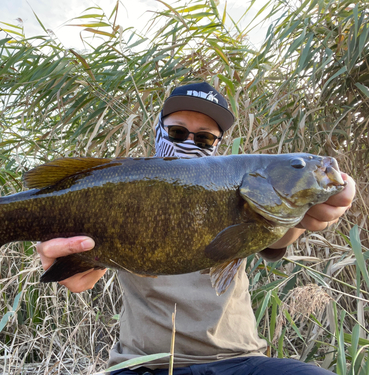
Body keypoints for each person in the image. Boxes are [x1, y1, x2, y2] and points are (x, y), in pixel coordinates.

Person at [36, 82, 356, 374]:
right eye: (177, 133)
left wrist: (311, 210)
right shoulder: (125, 189)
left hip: (239, 361)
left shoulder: (251, 203)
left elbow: (282, 229)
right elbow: (83, 263)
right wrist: (74, 262)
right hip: (143, 366)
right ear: (157, 130)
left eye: (204, 138)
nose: (190, 143)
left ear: (217, 144)